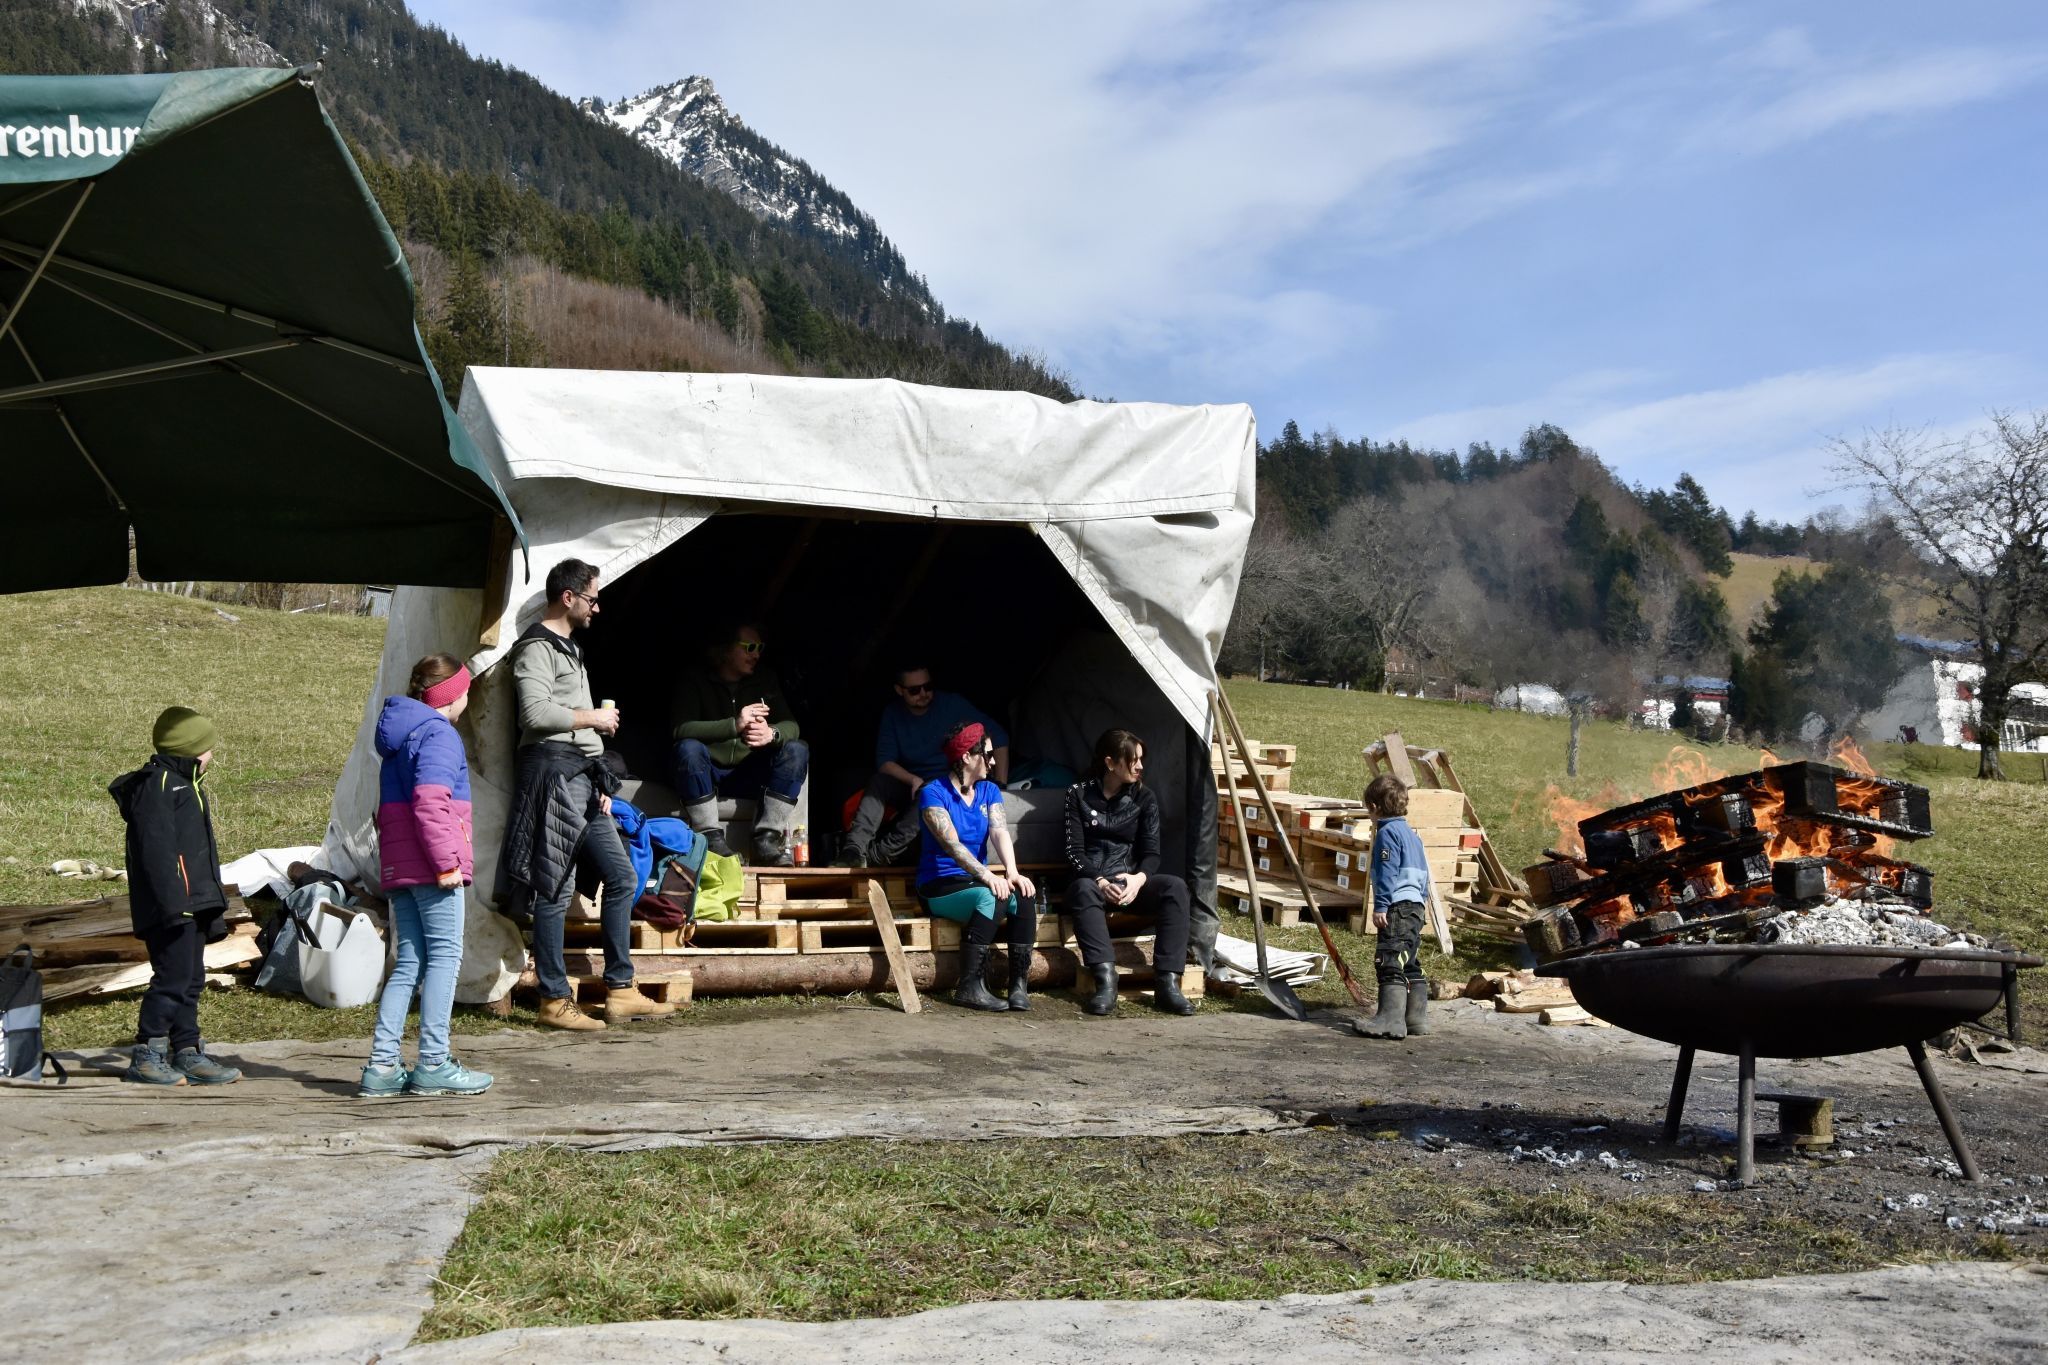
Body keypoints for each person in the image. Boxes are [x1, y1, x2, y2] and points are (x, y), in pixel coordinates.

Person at [498, 558, 675, 1031]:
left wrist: (598, 778)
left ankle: (620, 990)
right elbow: (535, 714)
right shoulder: (537, 647)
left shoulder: (571, 649)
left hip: (581, 778)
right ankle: (553, 1000)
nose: (599, 607)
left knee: (620, 878)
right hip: (553, 776)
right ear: (569, 597)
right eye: (593, 598)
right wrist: (592, 718)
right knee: (554, 887)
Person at [359, 654, 493, 1098]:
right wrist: (447, 864)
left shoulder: (400, 740)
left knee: (410, 963)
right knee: (445, 958)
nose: (468, 698)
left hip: (401, 868)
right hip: (433, 869)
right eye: (465, 690)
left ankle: (381, 1066)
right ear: (450, 695)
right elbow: (431, 802)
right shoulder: (439, 736)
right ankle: (434, 1061)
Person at [107, 706, 242, 1086]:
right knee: (171, 979)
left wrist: (209, 905)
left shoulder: (189, 785)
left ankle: (186, 1051)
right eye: (209, 748)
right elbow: (157, 855)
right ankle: (147, 1054)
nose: (212, 755)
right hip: (172, 907)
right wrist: (176, 906)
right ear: (191, 751)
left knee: (191, 978)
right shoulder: (158, 787)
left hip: (193, 903)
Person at [1062, 728, 1194, 1016]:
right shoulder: (1078, 794)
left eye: (1141, 759)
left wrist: (1138, 879)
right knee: (1083, 890)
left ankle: (1168, 983)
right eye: (1133, 760)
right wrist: (1098, 879)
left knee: (1175, 888)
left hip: (1128, 881)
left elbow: (1152, 853)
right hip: (1090, 880)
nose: (1140, 766)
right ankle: (1106, 982)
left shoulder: (1144, 798)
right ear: (1111, 763)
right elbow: (1074, 851)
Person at [839, 661, 1009, 867]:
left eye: (928, 687)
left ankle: (878, 857)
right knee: (879, 782)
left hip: (948, 785)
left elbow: (998, 736)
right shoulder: (893, 714)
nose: (923, 694)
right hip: (913, 783)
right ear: (899, 690)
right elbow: (884, 762)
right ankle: (853, 851)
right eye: (914, 690)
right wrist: (912, 779)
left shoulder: (952, 704)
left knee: (928, 794)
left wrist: (1000, 784)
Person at [917, 722, 1037, 1011]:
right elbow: (953, 846)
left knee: (1023, 894)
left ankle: (1018, 984)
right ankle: (969, 986)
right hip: (940, 884)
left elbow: (999, 831)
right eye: (988, 754)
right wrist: (987, 875)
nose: (994, 761)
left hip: (974, 879)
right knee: (990, 895)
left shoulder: (988, 790)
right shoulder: (933, 792)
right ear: (967, 756)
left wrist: (1011, 871)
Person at [669, 621, 808, 864]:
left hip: (748, 772)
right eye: (749, 647)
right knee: (688, 748)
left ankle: (766, 838)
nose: (756, 654)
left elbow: (792, 726)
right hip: (707, 773)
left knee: (797, 749)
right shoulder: (695, 679)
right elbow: (681, 728)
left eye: (760, 648)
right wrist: (735, 724)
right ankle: (710, 836)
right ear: (725, 650)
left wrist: (771, 734)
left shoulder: (765, 680)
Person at [1353, 774, 1430, 1040]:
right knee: (1408, 960)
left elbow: (1387, 873)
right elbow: (1424, 873)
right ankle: (1416, 1018)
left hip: (1397, 905)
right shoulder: (1412, 835)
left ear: (1374, 807)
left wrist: (1381, 905)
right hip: (1416, 905)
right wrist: (1423, 903)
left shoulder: (1387, 834)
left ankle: (1390, 1019)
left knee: (1388, 960)